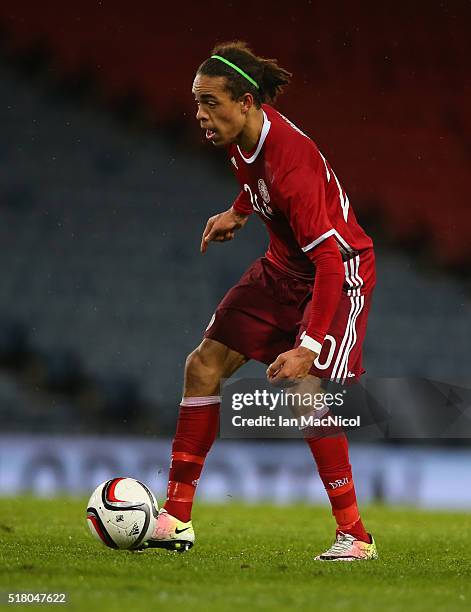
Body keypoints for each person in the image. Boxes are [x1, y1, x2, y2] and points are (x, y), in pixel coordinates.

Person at [144, 41, 377, 561]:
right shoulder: (238, 136)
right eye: (196, 101)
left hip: (338, 272)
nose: (200, 114)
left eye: (210, 103)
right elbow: (255, 178)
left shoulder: (291, 163)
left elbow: (329, 262)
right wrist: (238, 211)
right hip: (282, 268)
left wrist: (309, 346)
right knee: (202, 366)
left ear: (246, 101)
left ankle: (356, 536)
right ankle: (175, 518)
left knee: (304, 390)